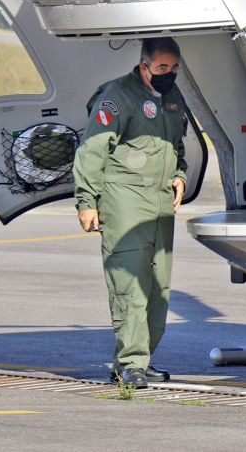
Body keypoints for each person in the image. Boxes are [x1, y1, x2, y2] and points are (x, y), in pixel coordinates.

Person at [73, 37, 188, 388]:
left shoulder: (172, 97)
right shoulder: (117, 97)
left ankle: (141, 358)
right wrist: (87, 201)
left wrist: (180, 175)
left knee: (158, 286)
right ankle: (130, 362)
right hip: (124, 200)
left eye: (173, 69)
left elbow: (177, 145)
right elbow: (92, 149)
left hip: (159, 202)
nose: (168, 75)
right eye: (162, 69)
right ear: (144, 67)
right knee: (130, 284)